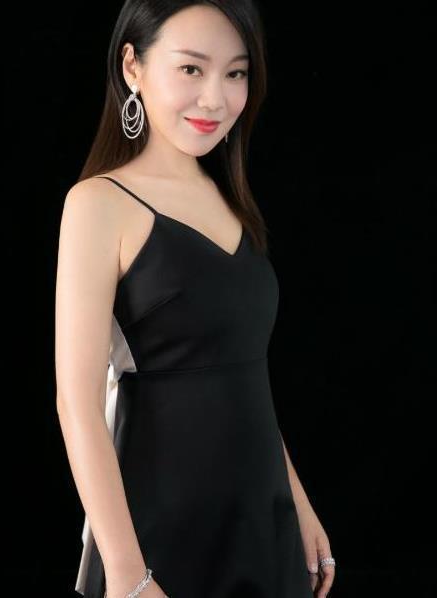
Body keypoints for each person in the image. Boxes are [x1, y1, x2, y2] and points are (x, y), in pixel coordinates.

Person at [55, 1, 336, 597]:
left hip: (262, 518)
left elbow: (244, 378)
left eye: (236, 73)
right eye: (191, 68)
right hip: (162, 528)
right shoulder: (98, 203)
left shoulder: (228, 197)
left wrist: (299, 503)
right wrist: (128, 574)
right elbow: (76, 404)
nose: (215, 98)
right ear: (132, 66)